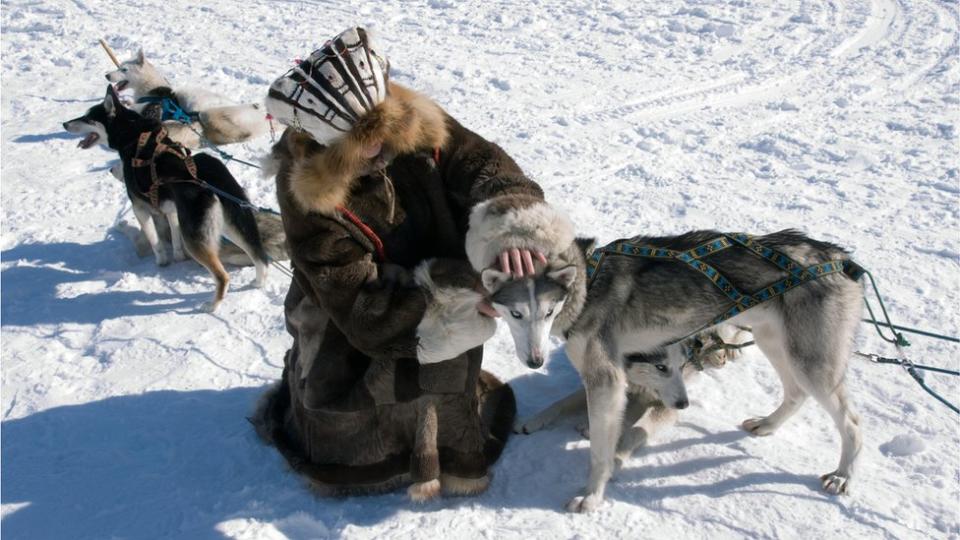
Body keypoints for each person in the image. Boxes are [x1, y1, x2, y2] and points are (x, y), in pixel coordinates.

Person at [253, 28, 574, 501]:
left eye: (386, 125)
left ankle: (446, 454)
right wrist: (455, 298)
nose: (383, 143)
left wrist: (512, 225)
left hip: (443, 273)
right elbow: (353, 299)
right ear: (331, 143)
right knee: (349, 403)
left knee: (446, 386)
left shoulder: (417, 123)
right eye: (364, 139)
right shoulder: (306, 191)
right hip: (351, 309)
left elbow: (485, 167)